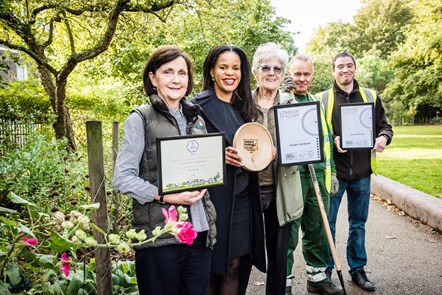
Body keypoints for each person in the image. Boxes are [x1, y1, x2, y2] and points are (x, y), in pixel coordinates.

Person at [112, 45, 217, 295]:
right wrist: (166, 196)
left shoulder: (196, 117)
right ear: (153, 77)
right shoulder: (140, 118)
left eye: (182, 73)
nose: (176, 79)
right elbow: (122, 179)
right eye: (168, 72)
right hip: (160, 237)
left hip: (199, 232)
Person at [191, 44, 266, 295]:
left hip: (244, 199)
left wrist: (266, 152)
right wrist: (216, 155)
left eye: (235, 68)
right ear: (212, 71)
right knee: (214, 268)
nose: (229, 73)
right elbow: (185, 154)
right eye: (223, 67)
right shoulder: (195, 107)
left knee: (238, 264)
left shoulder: (245, 107)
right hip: (215, 202)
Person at [318, 51, 393, 292]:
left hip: (362, 173)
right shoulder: (323, 99)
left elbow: (385, 126)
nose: (345, 70)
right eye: (340, 66)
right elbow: (317, 133)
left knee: (358, 224)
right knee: (328, 224)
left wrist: (383, 138)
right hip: (334, 174)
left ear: (355, 69)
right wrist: (334, 138)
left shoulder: (370, 96)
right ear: (333, 71)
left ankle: (357, 269)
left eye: (349, 66)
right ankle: (326, 271)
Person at [281, 54, 343, 295]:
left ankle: (317, 279)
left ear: (312, 76)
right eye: (297, 74)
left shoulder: (316, 102)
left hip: (318, 174)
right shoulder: (282, 99)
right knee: (289, 234)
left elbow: (326, 141)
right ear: (289, 75)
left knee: (317, 229)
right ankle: (283, 282)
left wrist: (334, 172)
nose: (302, 78)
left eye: (306, 74)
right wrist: (284, 99)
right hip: (293, 176)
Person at [251, 42, 304, 295]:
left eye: (278, 68)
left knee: (279, 256)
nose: (272, 72)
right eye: (266, 67)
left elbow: (304, 148)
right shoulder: (242, 105)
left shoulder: (293, 106)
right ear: (255, 71)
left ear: (283, 74)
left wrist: (281, 152)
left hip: (280, 190)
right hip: (247, 190)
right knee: (241, 252)